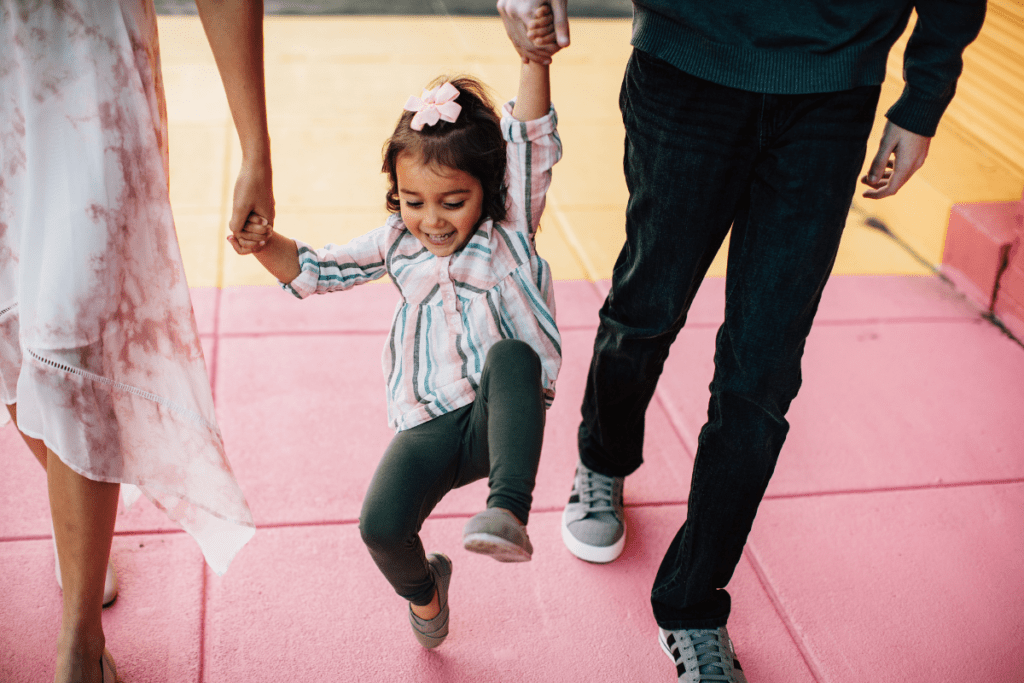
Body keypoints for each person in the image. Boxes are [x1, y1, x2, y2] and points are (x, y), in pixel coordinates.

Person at [501, 1, 986, 681]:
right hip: (687, 62)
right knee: (647, 306)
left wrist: (925, 95)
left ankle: (695, 604)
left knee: (762, 374)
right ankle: (603, 457)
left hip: (833, 91)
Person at [228, 6, 562, 649]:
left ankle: (508, 511)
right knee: (380, 525)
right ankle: (428, 588)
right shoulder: (396, 246)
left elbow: (531, 142)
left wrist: (533, 60)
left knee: (513, 356)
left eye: (453, 202)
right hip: (431, 420)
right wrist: (263, 242)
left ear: (487, 192)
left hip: (502, 417)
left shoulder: (510, 231)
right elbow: (319, 269)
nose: (432, 220)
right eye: (414, 202)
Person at [0, 1, 273, 681]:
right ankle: (82, 546)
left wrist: (255, 141)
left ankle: (79, 640)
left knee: (73, 337)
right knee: (10, 336)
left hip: (93, 72)